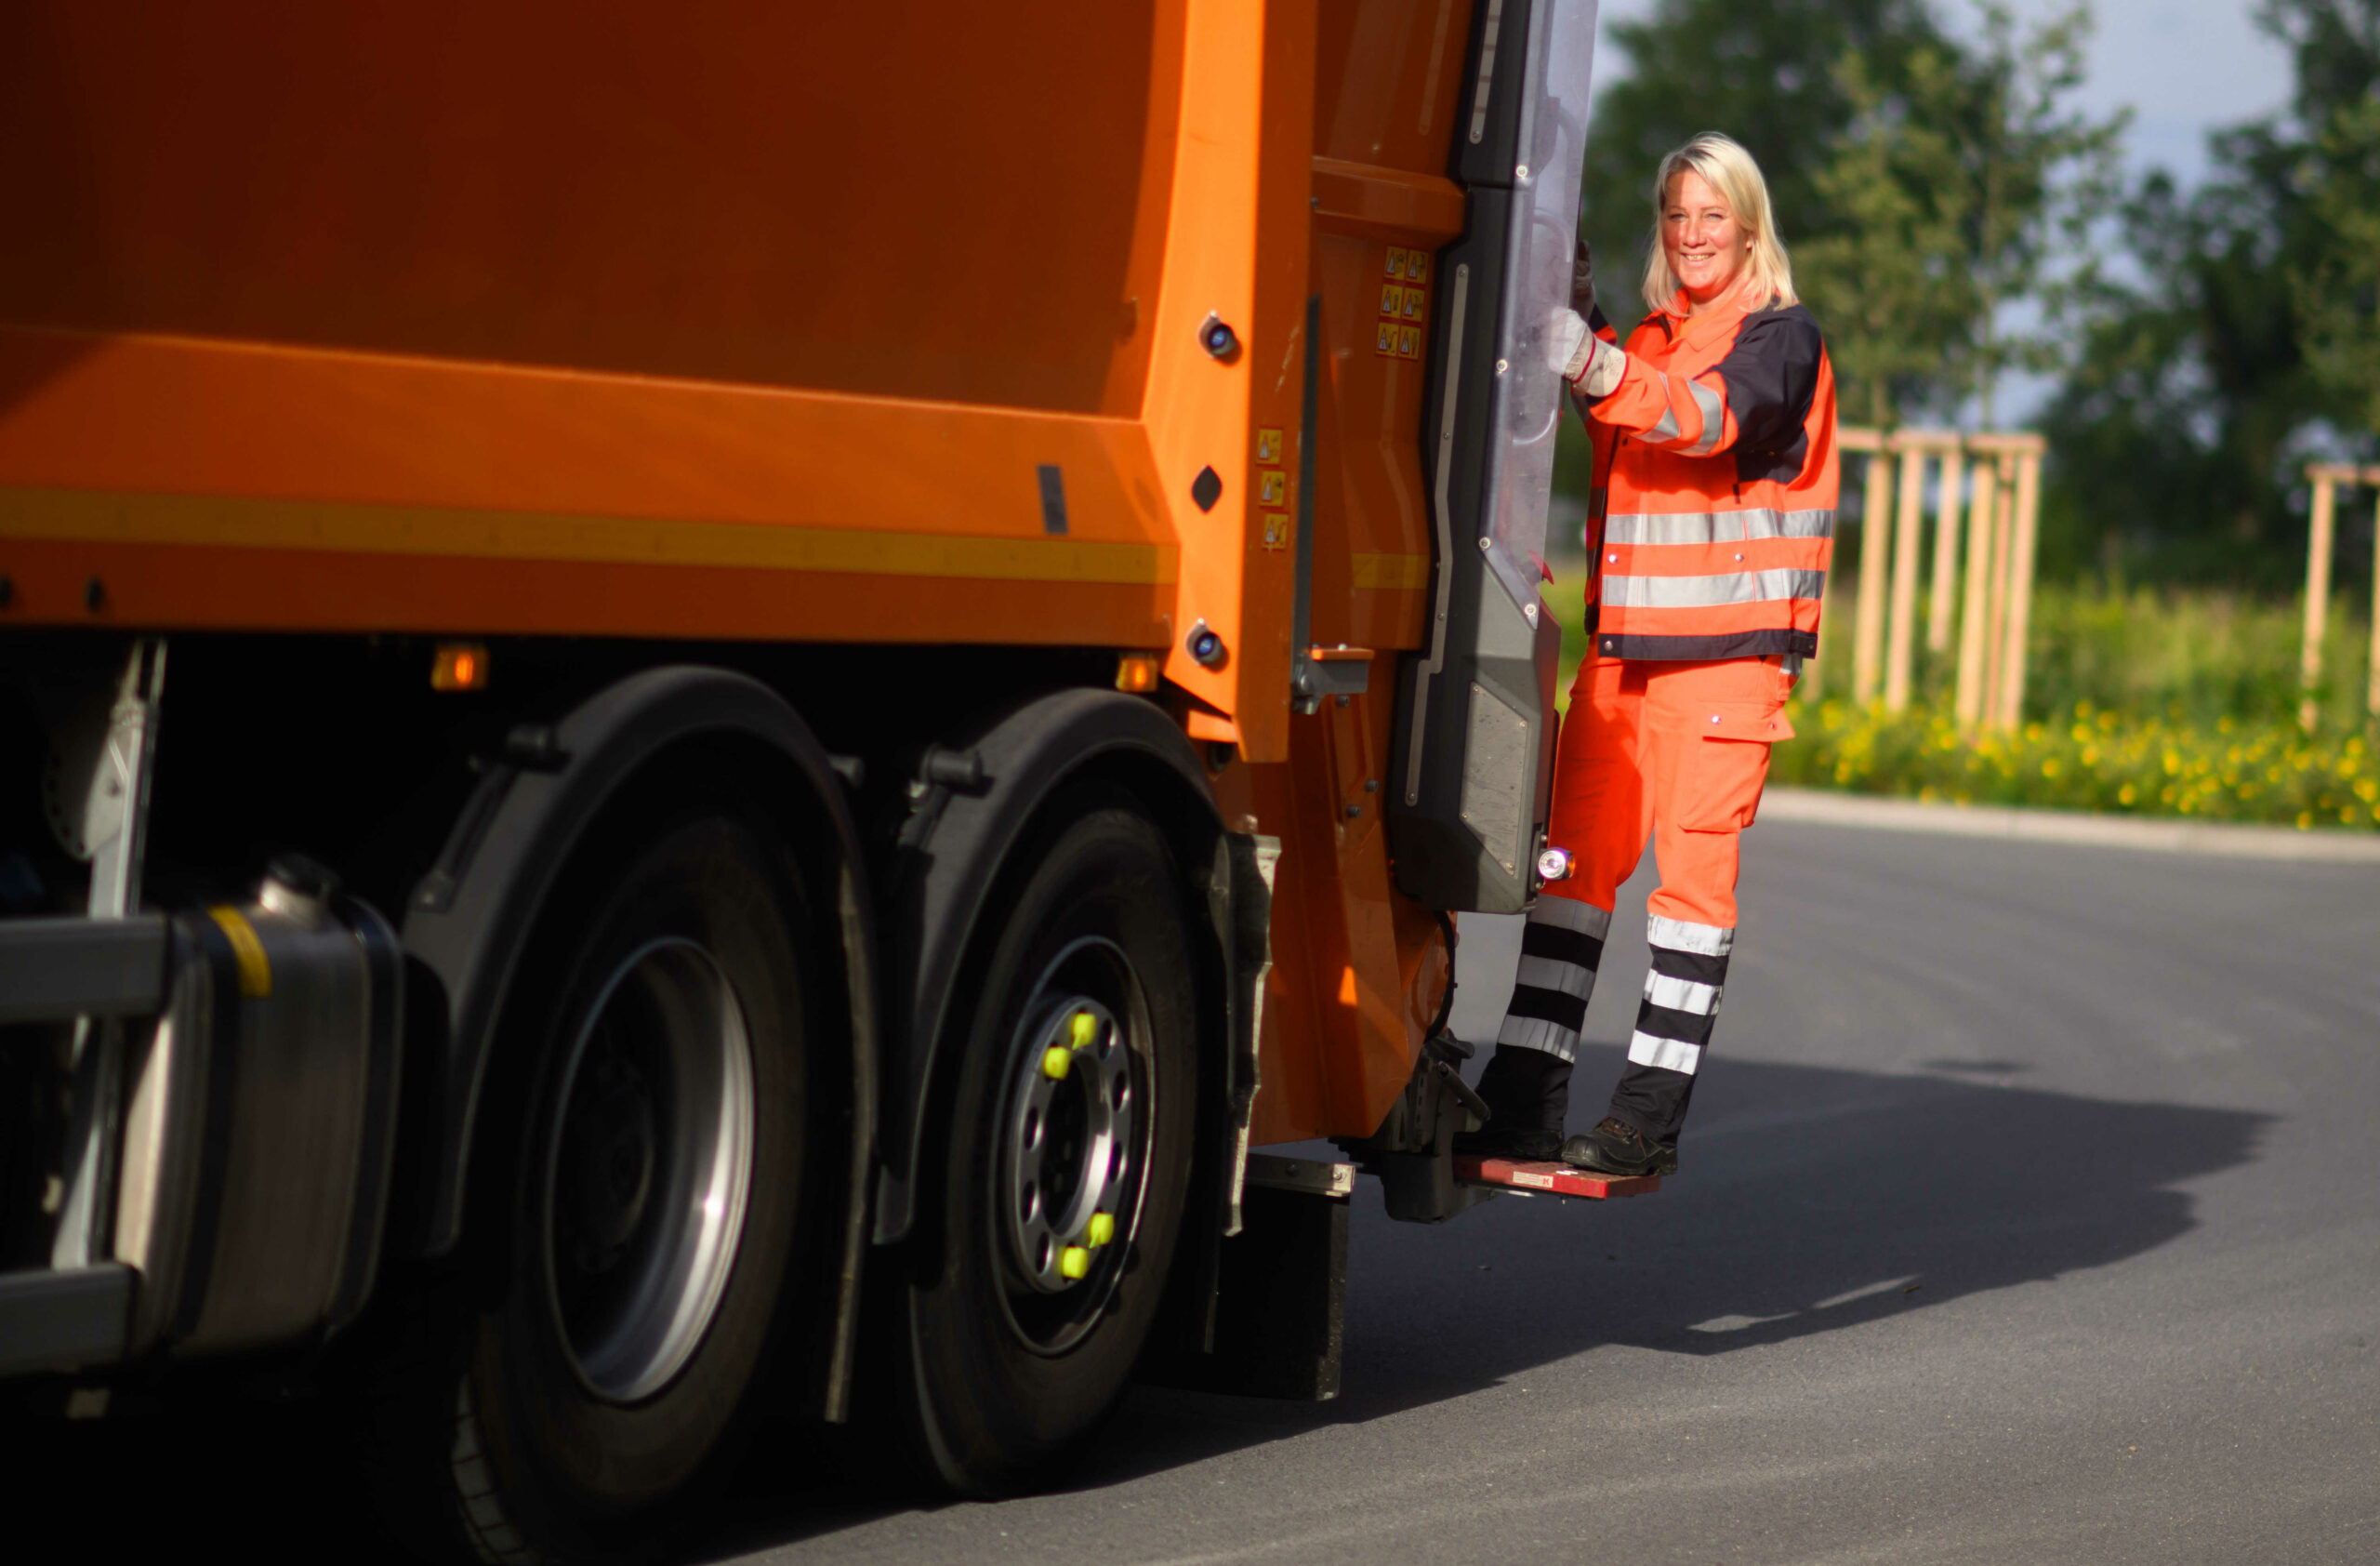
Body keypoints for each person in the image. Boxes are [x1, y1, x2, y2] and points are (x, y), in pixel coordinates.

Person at [1458, 131, 1838, 1177]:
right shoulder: (1658, 339)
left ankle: (1642, 1118)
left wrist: (1589, 358)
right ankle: (1524, 1095)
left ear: (1750, 228)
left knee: (1689, 898)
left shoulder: (1777, 341)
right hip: (1622, 665)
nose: (1691, 233)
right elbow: (1613, 378)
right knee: (1570, 877)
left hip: (1723, 666)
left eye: (1713, 214)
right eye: (1675, 214)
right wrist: (1555, 267)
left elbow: (1702, 421)